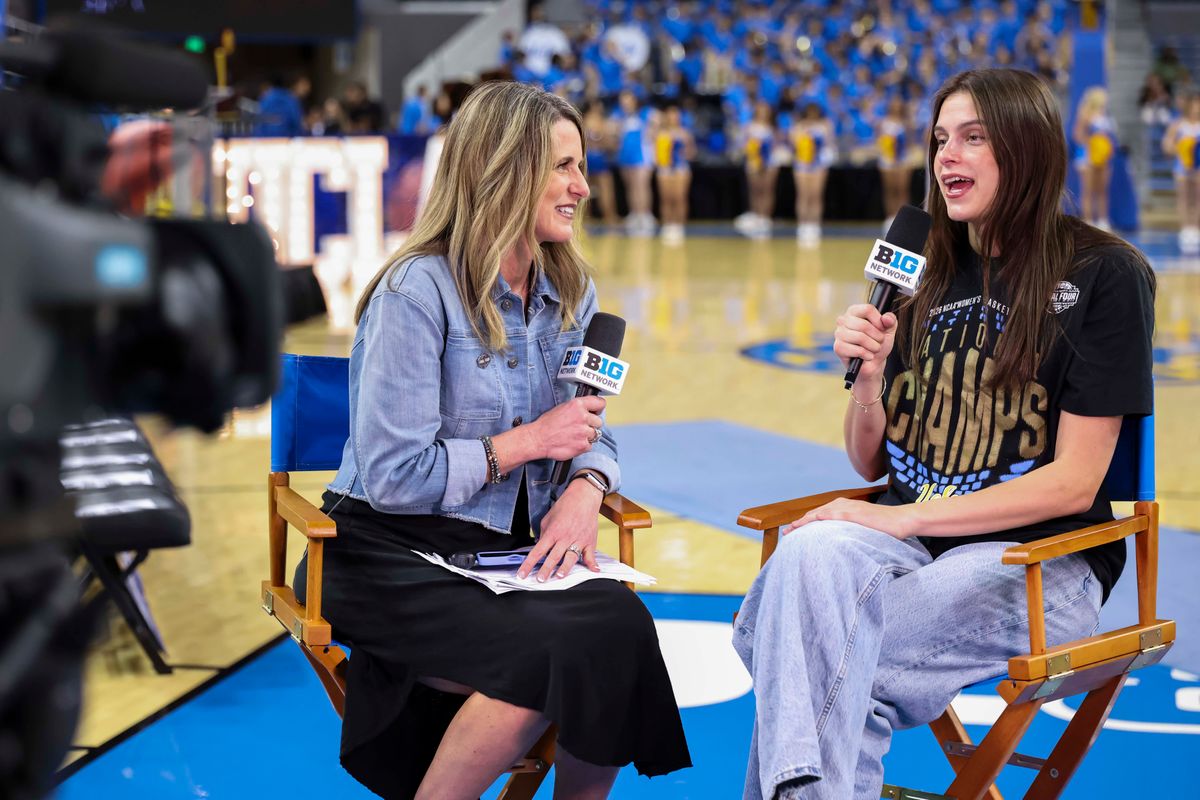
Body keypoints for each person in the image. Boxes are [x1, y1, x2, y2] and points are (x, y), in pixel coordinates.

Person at [734, 68, 1155, 800]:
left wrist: (902, 516)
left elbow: (1076, 481)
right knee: (809, 555)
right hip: (914, 550)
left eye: (973, 138)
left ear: (1026, 149)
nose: (947, 157)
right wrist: (867, 377)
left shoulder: (1103, 274)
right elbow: (871, 455)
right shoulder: (924, 272)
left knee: (808, 652)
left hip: (1040, 560)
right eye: (939, 140)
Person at [295, 81, 691, 800]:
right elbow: (392, 477)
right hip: (381, 548)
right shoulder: (414, 293)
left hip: (488, 555)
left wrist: (585, 485)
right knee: (547, 658)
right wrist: (529, 442)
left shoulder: (571, 290)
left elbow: (589, 426)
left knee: (620, 626)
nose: (583, 185)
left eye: (582, 166)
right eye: (563, 167)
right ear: (503, 171)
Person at [788, 102, 836, 247]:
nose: (812, 115)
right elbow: (793, 143)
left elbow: (829, 143)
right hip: (802, 164)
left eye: (814, 112)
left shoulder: (825, 125)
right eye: (809, 112)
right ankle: (803, 225)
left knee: (816, 195)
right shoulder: (798, 126)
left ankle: (814, 225)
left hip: (818, 164)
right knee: (803, 194)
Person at [1072, 86, 1118, 231]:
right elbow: (1077, 135)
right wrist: (1091, 145)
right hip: (1087, 156)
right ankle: (1088, 220)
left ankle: (1103, 220)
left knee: (1102, 190)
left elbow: (1107, 136)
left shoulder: (1106, 116)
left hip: (1103, 158)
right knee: (1088, 190)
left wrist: (1104, 148)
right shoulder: (1085, 114)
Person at [1162, 92, 1200, 254]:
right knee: (1184, 197)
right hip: (1182, 167)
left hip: (1198, 167)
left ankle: (1195, 228)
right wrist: (1181, 148)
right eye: (1195, 104)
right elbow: (1167, 145)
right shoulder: (1178, 124)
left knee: (1197, 198)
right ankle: (1185, 228)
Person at [653, 102, 695, 244]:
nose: (673, 117)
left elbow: (692, 152)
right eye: (670, 114)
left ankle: (679, 226)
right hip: (664, 168)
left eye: (675, 114)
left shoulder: (684, 133)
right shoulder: (660, 133)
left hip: (680, 168)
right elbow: (653, 149)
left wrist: (686, 153)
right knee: (666, 198)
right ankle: (667, 225)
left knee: (679, 197)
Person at [876, 94, 915, 233]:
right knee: (890, 190)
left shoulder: (906, 122)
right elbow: (880, 140)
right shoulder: (883, 122)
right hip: (887, 159)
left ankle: (903, 219)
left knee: (902, 190)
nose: (896, 105)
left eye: (898, 103)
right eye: (894, 102)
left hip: (903, 159)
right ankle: (890, 218)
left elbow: (910, 141)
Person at [582, 100, 619, 226]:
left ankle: (587, 219)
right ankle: (609, 218)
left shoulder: (583, 120)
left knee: (586, 190)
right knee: (604, 189)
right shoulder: (602, 122)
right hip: (596, 157)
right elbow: (609, 144)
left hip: (589, 157)